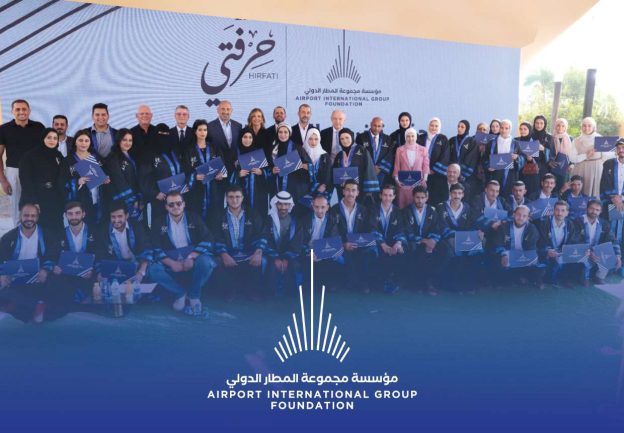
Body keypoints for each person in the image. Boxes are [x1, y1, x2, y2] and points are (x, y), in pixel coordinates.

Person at [148, 192, 216, 315]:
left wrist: (192, 257)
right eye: (171, 204)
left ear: (184, 204)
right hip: (170, 259)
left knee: (207, 262)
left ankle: (194, 295)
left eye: (178, 203)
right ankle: (179, 293)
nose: (175, 207)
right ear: (166, 207)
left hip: (192, 257)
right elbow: (155, 247)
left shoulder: (194, 217)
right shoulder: (158, 222)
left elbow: (208, 238)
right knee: (153, 269)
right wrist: (171, 263)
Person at [0, 204, 59, 323]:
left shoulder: (47, 236)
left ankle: (18, 305)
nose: (29, 219)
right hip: (14, 278)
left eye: (33, 216)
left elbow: (53, 255)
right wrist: (3, 275)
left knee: (55, 283)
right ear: (20, 216)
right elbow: (1, 258)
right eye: (26, 215)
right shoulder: (8, 237)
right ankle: (35, 305)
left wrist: (45, 270)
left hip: (37, 278)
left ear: (37, 217)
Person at [211, 185, 267, 298]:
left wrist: (258, 251)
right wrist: (224, 254)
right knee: (216, 261)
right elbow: (216, 237)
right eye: (231, 197)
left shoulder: (252, 213)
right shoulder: (218, 215)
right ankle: (229, 292)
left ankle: (252, 291)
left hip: (249, 252)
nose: (234, 200)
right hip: (228, 253)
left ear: (242, 198)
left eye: (237, 197)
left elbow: (261, 233)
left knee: (263, 260)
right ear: (226, 198)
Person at [0, 99, 45, 225]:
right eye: (17, 109)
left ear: (29, 111)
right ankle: (18, 233)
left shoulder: (39, 127)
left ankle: (37, 233)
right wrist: (3, 180)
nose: (21, 112)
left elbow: (44, 150)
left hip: (35, 171)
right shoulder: (3, 129)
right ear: (12, 111)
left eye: (24, 109)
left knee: (36, 203)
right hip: (14, 171)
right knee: (16, 206)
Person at [331, 180, 377, 293]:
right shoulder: (334, 209)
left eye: (353, 190)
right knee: (334, 252)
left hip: (358, 243)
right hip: (341, 243)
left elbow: (369, 229)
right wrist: (343, 244)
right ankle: (338, 282)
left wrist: (359, 242)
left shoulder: (364, 210)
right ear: (343, 192)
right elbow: (332, 231)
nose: (350, 193)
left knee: (368, 252)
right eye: (347, 190)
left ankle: (362, 283)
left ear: (357, 193)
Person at [58, 129, 111, 226]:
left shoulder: (96, 157)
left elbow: (106, 172)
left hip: (99, 200)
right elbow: (61, 181)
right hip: (79, 203)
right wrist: (76, 182)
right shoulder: (67, 160)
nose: (84, 143)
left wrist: (106, 178)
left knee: (99, 227)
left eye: (87, 141)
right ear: (75, 142)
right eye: (80, 140)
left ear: (90, 143)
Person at [437, 183, 482, 292]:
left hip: (464, 238)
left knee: (477, 248)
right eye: (454, 193)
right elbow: (441, 227)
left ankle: (469, 283)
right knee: (456, 249)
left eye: (459, 193)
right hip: (447, 239)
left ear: (463, 195)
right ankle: (453, 285)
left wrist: (477, 232)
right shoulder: (441, 207)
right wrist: (459, 235)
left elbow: (472, 225)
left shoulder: (467, 208)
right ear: (450, 193)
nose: (457, 196)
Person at [52, 202, 99, 303]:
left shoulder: (95, 232)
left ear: (83, 214)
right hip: (66, 276)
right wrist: (55, 267)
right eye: (70, 214)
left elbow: (100, 255)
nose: (74, 217)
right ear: (65, 215)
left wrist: (93, 270)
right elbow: (53, 256)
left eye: (77, 213)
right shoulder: (59, 234)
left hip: (88, 275)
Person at [18, 128, 64, 230]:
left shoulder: (58, 155)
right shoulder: (29, 156)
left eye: (55, 138)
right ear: (43, 138)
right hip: (37, 199)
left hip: (55, 199)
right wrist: (33, 201)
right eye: (49, 137)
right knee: (38, 230)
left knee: (56, 229)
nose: (52, 140)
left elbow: (64, 175)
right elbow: (25, 180)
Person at [139, 123, 185, 222]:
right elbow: (144, 177)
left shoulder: (174, 151)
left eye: (166, 134)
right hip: (160, 197)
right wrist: (155, 193)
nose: (164, 137)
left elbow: (182, 170)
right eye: (161, 134)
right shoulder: (148, 153)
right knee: (161, 223)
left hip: (177, 196)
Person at [401, 185, 443, 295]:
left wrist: (433, 240)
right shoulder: (406, 211)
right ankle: (417, 284)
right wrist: (424, 241)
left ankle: (430, 283)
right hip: (414, 242)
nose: (420, 200)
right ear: (413, 197)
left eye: (422, 198)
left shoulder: (432, 211)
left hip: (430, 242)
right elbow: (407, 231)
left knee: (444, 251)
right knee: (416, 251)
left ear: (426, 198)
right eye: (417, 197)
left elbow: (437, 228)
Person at [96, 202, 151, 283]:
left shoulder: (137, 226)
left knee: (154, 271)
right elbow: (99, 254)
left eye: (120, 216)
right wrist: (99, 273)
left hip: (137, 263)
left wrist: (141, 272)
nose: (116, 220)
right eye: (113, 217)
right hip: (116, 267)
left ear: (127, 216)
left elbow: (147, 250)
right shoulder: (104, 231)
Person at [182, 119, 226, 218]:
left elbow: (222, 166)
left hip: (214, 188)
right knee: (197, 215)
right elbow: (185, 170)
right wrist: (194, 176)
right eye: (200, 130)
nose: (203, 132)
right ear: (195, 131)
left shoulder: (215, 148)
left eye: (205, 130)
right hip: (197, 190)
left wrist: (221, 174)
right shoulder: (189, 150)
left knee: (214, 216)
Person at [264, 192, 304, 294]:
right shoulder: (268, 220)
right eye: (280, 204)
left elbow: (297, 243)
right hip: (271, 255)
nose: (283, 207)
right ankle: (270, 295)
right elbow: (264, 240)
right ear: (275, 204)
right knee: (271, 267)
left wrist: (286, 258)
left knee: (294, 266)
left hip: (290, 256)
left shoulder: (296, 222)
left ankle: (292, 295)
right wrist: (275, 258)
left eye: (286, 204)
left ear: (290, 205)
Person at [574, 199, 621, 285]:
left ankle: (598, 277)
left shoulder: (604, 223)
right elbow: (574, 240)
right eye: (591, 208)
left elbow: (612, 240)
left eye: (597, 210)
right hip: (582, 249)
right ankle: (584, 277)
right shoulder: (577, 221)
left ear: (600, 211)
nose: (594, 211)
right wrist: (590, 252)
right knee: (583, 257)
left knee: (611, 253)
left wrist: (618, 255)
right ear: (587, 208)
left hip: (596, 250)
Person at [536, 200, 581, 288]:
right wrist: (547, 251)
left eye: (563, 210)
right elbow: (540, 241)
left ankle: (565, 279)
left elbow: (572, 241)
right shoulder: (544, 223)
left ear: (567, 213)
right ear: (553, 211)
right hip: (547, 251)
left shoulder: (570, 224)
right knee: (542, 257)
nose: (559, 213)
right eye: (557, 210)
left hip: (562, 252)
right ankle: (539, 279)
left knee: (575, 257)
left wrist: (565, 251)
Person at [300, 193, 341, 287]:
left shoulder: (332, 220)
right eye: (316, 207)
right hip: (308, 252)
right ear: (312, 206)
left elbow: (333, 241)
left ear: (327, 207)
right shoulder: (304, 220)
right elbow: (300, 242)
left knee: (336, 259)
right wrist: (310, 252)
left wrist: (321, 253)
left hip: (324, 251)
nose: (319, 210)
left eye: (323, 207)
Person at [494, 205, 540, 286]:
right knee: (498, 267)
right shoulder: (504, 226)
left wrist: (528, 259)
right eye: (518, 214)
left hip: (524, 255)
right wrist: (503, 254)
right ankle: (514, 278)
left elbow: (531, 248)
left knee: (537, 268)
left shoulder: (532, 229)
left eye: (524, 216)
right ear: (514, 214)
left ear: (528, 218)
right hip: (508, 255)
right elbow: (498, 244)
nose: (521, 218)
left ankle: (521, 277)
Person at [372, 184, 406, 293]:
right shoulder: (373, 209)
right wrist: (382, 244)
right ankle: (378, 283)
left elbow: (401, 229)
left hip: (392, 242)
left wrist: (398, 243)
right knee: (373, 252)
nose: (387, 198)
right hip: (377, 242)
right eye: (385, 195)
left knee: (401, 250)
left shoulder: (398, 211)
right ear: (380, 195)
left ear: (394, 196)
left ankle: (394, 281)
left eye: (390, 195)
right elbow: (372, 228)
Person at [104, 129, 143, 220]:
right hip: (123, 199)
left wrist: (139, 197)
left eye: (130, 140)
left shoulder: (130, 154)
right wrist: (132, 199)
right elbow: (119, 179)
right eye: (124, 140)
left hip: (135, 196)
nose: (128, 143)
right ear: (118, 140)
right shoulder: (113, 157)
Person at [332, 128, 379, 203]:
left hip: (359, 190)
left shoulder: (362, 150)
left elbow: (369, 169)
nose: (345, 141)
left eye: (347, 137)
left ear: (352, 137)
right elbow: (335, 173)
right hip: (343, 191)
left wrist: (368, 191)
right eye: (342, 139)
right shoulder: (339, 155)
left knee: (359, 208)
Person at [269, 123, 311, 207]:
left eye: (285, 132)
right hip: (277, 186)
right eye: (280, 132)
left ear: (289, 134)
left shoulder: (298, 148)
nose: (283, 135)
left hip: (294, 186)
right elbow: (267, 167)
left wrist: (304, 166)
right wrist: (272, 171)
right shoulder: (273, 149)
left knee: (293, 209)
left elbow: (309, 166)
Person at [232, 129, 271, 216]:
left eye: (250, 137)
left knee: (258, 216)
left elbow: (268, 172)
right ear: (241, 138)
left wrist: (261, 172)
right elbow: (228, 172)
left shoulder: (259, 153)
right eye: (245, 137)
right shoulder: (235, 153)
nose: (247, 140)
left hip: (258, 192)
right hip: (241, 191)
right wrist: (238, 174)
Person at [570, 117, 612, 197]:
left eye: (589, 125)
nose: (586, 128)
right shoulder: (576, 141)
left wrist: (598, 164)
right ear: (581, 127)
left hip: (596, 169)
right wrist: (586, 155)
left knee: (594, 194)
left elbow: (606, 156)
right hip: (580, 169)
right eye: (584, 125)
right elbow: (572, 158)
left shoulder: (600, 139)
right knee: (579, 193)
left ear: (594, 127)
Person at [484, 119, 525, 197]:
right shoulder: (491, 142)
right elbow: (485, 158)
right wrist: (488, 166)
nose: (504, 130)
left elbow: (522, 158)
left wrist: (517, 158)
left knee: (508, 197)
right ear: (499, 128)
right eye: (502, 128)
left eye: (506, 128)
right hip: (495, 174)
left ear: (510, 129)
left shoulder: (516, 143)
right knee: (493, 196)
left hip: (510, 175)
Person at [600, 138, 624, 260]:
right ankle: (611, 259)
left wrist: (621, 198)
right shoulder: (609, 163)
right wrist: (614, 197)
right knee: (612, 230)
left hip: (622, 202)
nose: (621, 150)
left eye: (623, 148)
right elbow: (604, 183)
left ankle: (621, 261)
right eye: (618, 148)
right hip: (612, 201)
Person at [393, 127, 429, 208]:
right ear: (405, 137)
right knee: (403, 207)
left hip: (419, 183)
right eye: (408, 136)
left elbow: (426, 165)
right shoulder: (399, 150)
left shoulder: (423, 149)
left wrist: (425, 179)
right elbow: (397, 166)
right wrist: (396, 180)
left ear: (416, 137)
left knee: (418, 206)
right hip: (403, 185)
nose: (410, 138)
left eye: (412, 136)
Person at [356, 117, 395, 187]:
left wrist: (380, 167)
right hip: (366, 171)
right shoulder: (361, 137)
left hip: (381, 172)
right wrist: (370, 167)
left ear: (382, 127)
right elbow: (359, 155)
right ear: (371, 124)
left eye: (379, 126)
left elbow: (389, 155)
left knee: (381, 192)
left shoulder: (387, 139)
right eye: (374, 125)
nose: (376, 128)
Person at [417, 117, 449, 201]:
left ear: (439, 127)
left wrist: (434, 170)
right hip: (421, 173)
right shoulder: (421, 137)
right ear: (428, 126)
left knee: (434, 196)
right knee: (421, 195)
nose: (434, 128)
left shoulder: (443, 138)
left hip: (436, 174)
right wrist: (422, 169)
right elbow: (417, 154)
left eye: (436, 126)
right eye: (432, 125)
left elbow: (445, 155)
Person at [207, 100, 242, 174]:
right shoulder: (209, 127)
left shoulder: (238, 126)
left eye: (228, 109)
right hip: (217, 169)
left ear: (231, 111)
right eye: (223, 109)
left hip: (235, 168)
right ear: (218, 110)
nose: (225, 112)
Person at [449, 120, 480, 198]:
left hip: (465, 176)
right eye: (458, 126)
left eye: (462, 127)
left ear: (467, 129)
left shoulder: (472, 141)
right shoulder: (452, 140)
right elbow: (448, 156)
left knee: (464, 195)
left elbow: (471, 158)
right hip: (452, 175)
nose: (459, 128)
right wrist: (453, 171)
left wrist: (461, 173)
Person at [302, 128, 331, 200]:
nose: (313, 142)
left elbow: (328, 172)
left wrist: (324, 185)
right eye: (310, 139)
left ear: (319, 139)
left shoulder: (324, 155)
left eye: (316, 139)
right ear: (307, 139)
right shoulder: (301, 153)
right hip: (303, 189)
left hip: (320, 189)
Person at [516, 121, 542, 195]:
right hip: (519, 172)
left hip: (531, 173)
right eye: (521, 129)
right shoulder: (516, 141)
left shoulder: (534, 142)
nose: (522, 131)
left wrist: (531, 159)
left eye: (525, 129)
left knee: (530, 193)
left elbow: (539, 159)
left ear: (529, 130)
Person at [549, 118, 574, 190]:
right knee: (552, 187)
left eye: (563, 126)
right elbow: (548, 152)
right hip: (553, 167)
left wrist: (572, 164)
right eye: (558, 125)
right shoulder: (551, 138)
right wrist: (549, 161)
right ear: (555, 126)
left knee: (564, 187)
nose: (560, 128)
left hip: (565, 168)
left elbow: (573, 153)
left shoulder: (570, 139)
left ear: (566, 127)